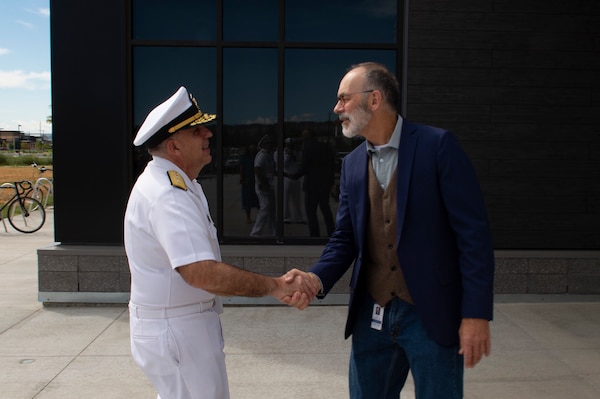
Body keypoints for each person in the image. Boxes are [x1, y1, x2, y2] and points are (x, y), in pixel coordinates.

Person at [285, 62, 495, 398]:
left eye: (343, 98)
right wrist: (316, 279)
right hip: (372, 314)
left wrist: (475, 314)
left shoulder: (438, 146)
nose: (337, 108)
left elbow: (474, 238)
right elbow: (345, 238)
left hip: (432, 315)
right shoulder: (351, 164)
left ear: (374, 99)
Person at [124, 86, 317, 399]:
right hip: (178, 331)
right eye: (197, 131)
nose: (208, 135)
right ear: (174, 146)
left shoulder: (180, 185)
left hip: (181, 326)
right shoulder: (167, 195)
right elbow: (201, 273)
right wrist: (275, 285)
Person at [295, 129, 336, 237]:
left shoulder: (307, 148)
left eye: (303, 136)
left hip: (311, 185)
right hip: (323, 184)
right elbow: (331, 165)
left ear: (308, 137)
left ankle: (315, 235)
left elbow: (305, 167)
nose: (302, 138)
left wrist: (294, 175)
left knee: (311, 212)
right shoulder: (325, 147)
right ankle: (331, 233)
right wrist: (330, 182)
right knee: (326, 210)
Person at [249, 134, 276, 237]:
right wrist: (263, 183)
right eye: (268, 143)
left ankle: (274, 232)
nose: (271, 145)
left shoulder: (269, 154)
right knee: (265, 208)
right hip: (263, 186)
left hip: (269, 185)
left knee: (272, 210)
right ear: (264, 144)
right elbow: (257, 169)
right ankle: (255, 233)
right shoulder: (262, 155)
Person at [276, 137, 304, 224]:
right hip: (286, 178)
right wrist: (288, 155)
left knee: (297, 200)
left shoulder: (297, 152)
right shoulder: (280, 153)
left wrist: (296, 152)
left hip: (296, 178)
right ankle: (286, 217)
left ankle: (298, 218)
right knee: (285, 199)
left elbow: (301, 161)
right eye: (289, 145)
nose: (291, 146)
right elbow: (282, 165)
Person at [239, 144, 259, 224]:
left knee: (258, 200)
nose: (252, 148)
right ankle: (248, 217)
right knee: (247, 200)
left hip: (256, 180)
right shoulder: (244, 157)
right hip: (247, 180)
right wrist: (242, 178)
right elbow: (241, 168)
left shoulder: (257, 157)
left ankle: (260, 217)